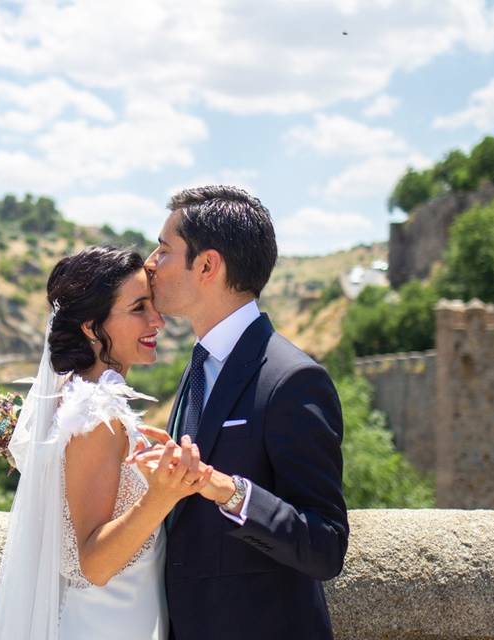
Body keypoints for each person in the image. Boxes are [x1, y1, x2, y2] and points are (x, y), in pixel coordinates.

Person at [131, 185, 349, 640]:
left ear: (207, 265)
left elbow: (326, 545)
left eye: (164, 250)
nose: (150, 262)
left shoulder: (292, 380)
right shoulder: (196, 368)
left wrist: (230, 491)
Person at [0, 246, 210, 640]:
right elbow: (95, 564)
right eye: (139, 308)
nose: (157, 319)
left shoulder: (84, 403)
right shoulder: (94, 415)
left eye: (153, 304)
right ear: (91, 326)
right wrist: (160, 495)